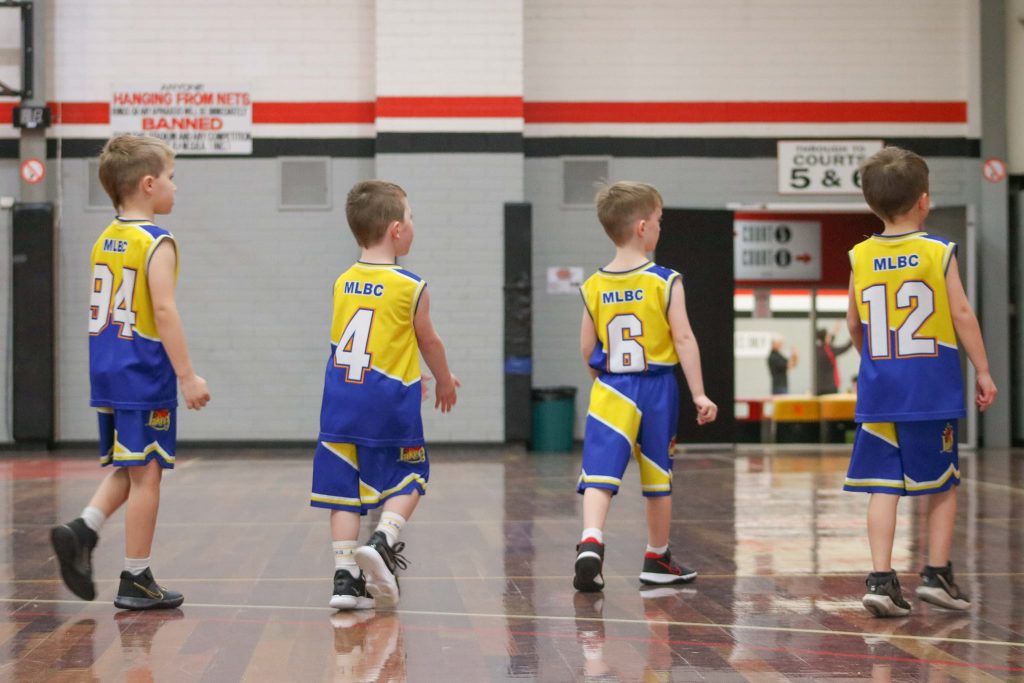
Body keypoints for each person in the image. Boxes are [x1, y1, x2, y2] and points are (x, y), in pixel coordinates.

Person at [50, 135, 211, 610]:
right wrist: (187, 375)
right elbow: (163, 310)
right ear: (147, 184)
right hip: (143, 371)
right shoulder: (156, 242)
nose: (175, 188)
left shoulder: (107, 236)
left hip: (108, 368)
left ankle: (83, 530)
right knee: (148, 474)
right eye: (170, 178)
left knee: (132, 464)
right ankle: (136, 577)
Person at [843, 147, 997, 617]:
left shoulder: (860, 254)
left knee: (883, 486)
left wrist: (874, 359)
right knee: (942, 484)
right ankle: (936, 574)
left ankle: (881, 579)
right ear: (924, 201)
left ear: (872, 205)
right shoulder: (937, 250)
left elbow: (852, 323)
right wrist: (984, 370)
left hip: (880, 389)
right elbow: (962, 313)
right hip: (928, 391)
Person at [312, 180, 459, 610]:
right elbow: (428, 341)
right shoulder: (411, 286)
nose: (414, 226)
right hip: (388, 406)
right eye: (411, 218)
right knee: (411, 476)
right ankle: (383, 538)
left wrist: (406, 371)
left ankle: (345, 578)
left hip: (340, 401)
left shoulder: (343, 282)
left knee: (344, 491)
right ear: (396, 230)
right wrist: (444, 379)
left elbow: (371, 343)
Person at [573, 181, 717, 593]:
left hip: (611, 388)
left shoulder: (594, 285)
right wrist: (699, 394)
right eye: (657, 221)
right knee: (657, 478)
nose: (659, 227)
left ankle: (591, 540)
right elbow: (684, 339)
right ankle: (656, 556)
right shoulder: (665, 280)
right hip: (656, 390)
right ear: (641, 227)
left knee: (599, 476)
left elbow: (586, 346)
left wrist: (601, 380)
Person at [814, 321, 852, 395]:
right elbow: (845, 347)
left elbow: (830, 340)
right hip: (830, 387)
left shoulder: (817, 349)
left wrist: (835, 330)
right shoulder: (829, 351)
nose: (830, 337)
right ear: (824, 338)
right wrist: (854, 336)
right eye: (828, 336)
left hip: (819, 386)